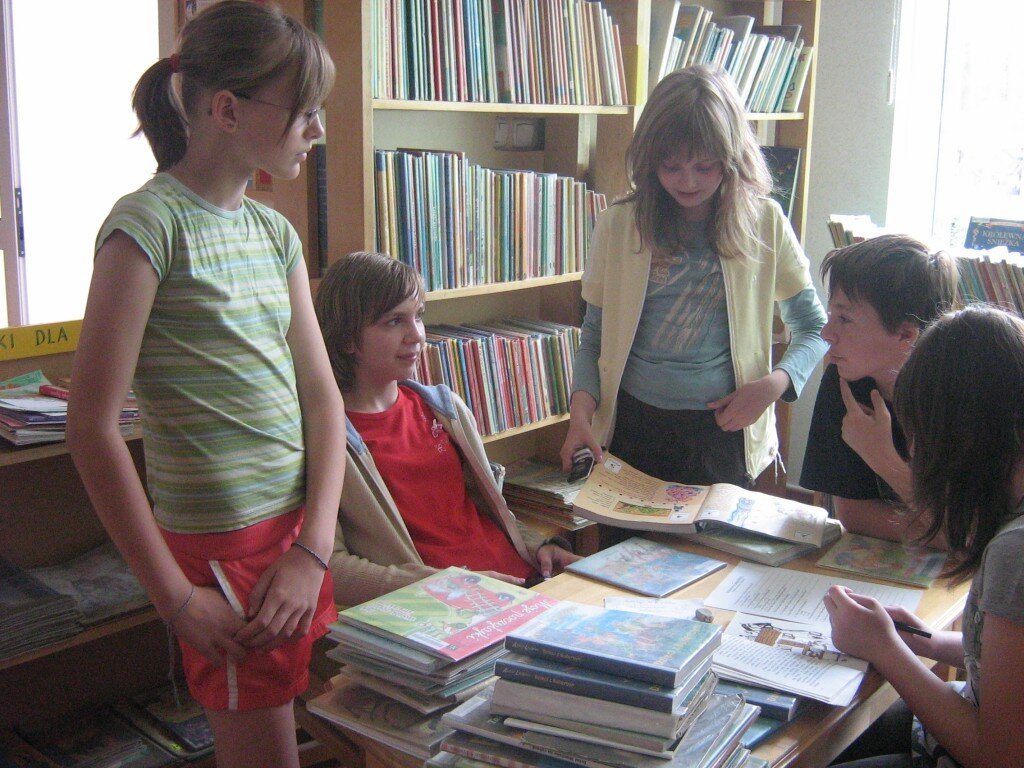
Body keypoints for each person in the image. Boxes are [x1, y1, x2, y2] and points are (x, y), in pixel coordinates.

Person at [65, 4, 344, 767]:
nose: (317, 130)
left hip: (296, 538)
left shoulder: (274, 233)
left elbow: (323, 400)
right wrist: (177, 599)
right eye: (304, 111)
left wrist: (314, 549)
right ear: (227, 110)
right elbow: (90, 428)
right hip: (222, 553)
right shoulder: (147, 226)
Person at [559, 65, 827, 488]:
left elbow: (814, 327)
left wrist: (773, 385)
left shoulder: (765, 222)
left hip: (723, 433)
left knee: (713, 533)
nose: (687, 181)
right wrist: (579, 417)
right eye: (671, 166)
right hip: (631, 429)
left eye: (704, 167)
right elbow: (593, 338)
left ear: (732, 158)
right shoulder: (618, 224)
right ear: (650, 162)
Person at [315, 251, 580, 607]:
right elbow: (329, 569)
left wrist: (539, 546)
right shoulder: (328, 437)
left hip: (523, 581)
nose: (416, 335)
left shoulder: (444, 408)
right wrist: (444, 585)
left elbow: (487, 512)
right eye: (394, 321)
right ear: (347, 338)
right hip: (450, 609)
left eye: (418, 316)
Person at [825, 305, 1024, 768]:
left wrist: (885, 649)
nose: (914, 452)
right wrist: (933, 642)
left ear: (961, 436)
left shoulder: (1015, 553)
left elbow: (1000, 755)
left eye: (918, 434)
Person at [800, 235, 958, 541]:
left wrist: (882, 457)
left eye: (844, 318)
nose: (826, 333)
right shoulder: (844, 380)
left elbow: (968, 534)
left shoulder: (962, 394)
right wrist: (938, 533)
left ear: (905, 335)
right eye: (831, 315)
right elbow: (855, 516)